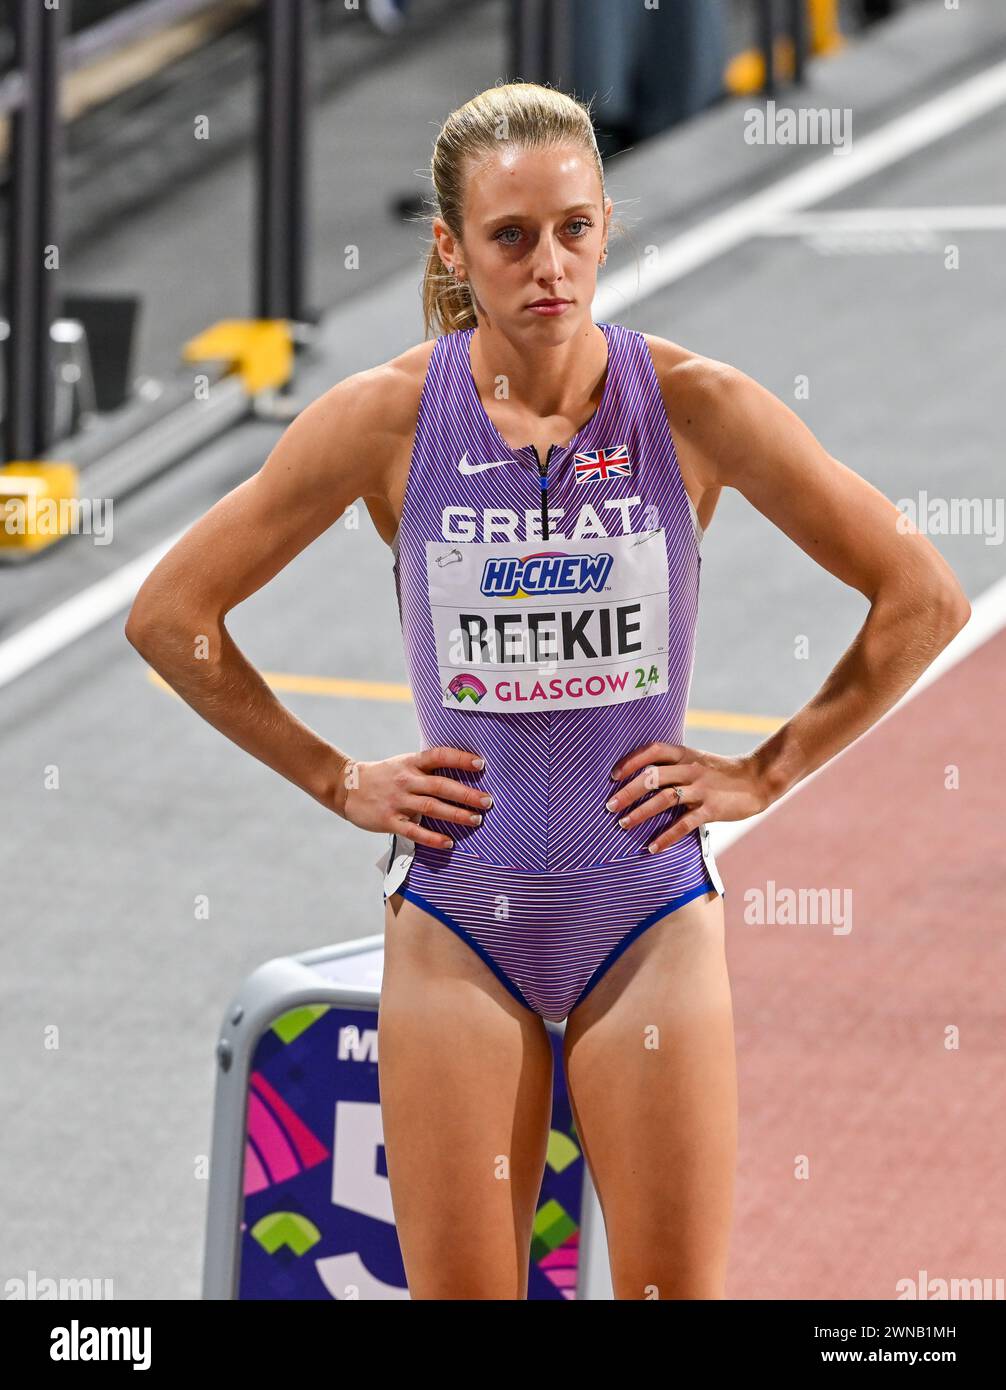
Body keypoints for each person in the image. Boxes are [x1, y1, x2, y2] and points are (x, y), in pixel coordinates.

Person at [124, 81, 971, 1300]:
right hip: (461, 922)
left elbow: (922, 595)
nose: (549, 266)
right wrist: (337, 777)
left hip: (648, 914)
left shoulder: (692, 406)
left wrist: (767, 769)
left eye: (574, 228)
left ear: (606, 224)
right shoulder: (385, 422)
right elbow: (170, 615)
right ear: (452, 248)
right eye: (511, 236)